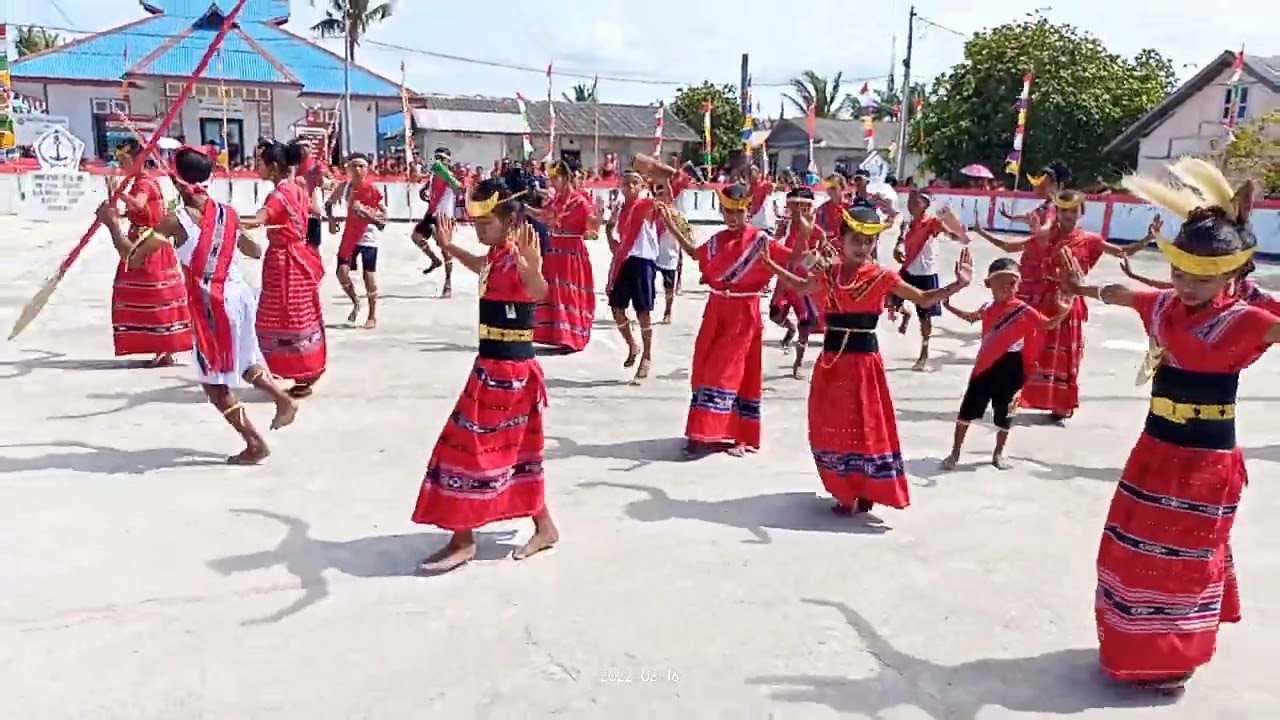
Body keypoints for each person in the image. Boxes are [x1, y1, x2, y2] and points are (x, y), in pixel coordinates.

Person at [1060, 159, 1279, 694]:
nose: (1186, 283)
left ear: (1232, 273)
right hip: (1154, 453)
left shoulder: (1249, 320)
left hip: (1206, 463)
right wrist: (1082, 289)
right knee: (1129, 553)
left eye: (1204, 276)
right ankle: (1130, 649)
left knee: (1183, 566)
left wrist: (1256, 295)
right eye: (1180, 271)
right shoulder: (1162, 305)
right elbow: (1121, 294)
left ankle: (1175, 656)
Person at [765, 205, 972, 515]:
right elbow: (801, 284)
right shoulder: (829, 271)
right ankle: (845, 490)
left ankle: (866, 489)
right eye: (856, 240)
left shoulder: (882, 277)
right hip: (832, 363)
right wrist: (774, 264)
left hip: (863, 366)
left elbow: (924, 299)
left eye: (869, 242)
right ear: (842, 238)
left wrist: (958, 284)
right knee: (832, 426)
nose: (863, 247)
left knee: (866, 427)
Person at [95, 146, 297, 464]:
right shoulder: (227, 213)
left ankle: (255, 442)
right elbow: (255, 250)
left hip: (213, 305)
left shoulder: (175, 221)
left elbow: (132, 258)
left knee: (214, 384)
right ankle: (282, 399)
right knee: (246, 361)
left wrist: (111, 225)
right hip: (241, 297)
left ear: (177, 183)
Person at [410, 180, 559, 573]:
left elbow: (539, 291)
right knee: (514, 453)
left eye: (486, 223)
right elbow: (481, 266)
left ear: (511, 220)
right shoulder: (495, 256)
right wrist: (449, 248)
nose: (479, 230)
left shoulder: (520, 257)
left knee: (465, 450)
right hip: (489, 368)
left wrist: (535, 266)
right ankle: (545, 526)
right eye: (475, 223)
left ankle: (463, 540)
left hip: (510, 375)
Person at [971, 189, 1144, 423]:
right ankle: (1016, 395)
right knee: (1034, 351)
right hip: (1043, 302)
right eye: (1063, 210)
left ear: (1081, 212)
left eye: (1073, 210)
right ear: (1057, 212)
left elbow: (1121, 251)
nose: (1068, 215)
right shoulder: (1045, 235)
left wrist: (1148, 239)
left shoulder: (1090, 240)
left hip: (1070, 304)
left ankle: (1060, 404)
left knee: (1065, 356)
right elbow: (1010, 248)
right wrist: (982, 232)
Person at [657, 183, 793, 458]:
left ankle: (738, 435)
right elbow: (697, 255)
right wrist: (672, 227)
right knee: (703, 368)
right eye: (727, 211)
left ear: (748, 210)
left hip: (744, 312)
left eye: (738, 212)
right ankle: (704, 431)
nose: (733, 217)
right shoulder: (718, 240)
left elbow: (793, 260)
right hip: (716, 309)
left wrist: (805, 236)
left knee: (728, 372)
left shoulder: (761, 241)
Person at [939, 258, 1069, 470]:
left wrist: (1064, 310)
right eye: (1007, 281)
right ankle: (955, 453)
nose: (1013, 287)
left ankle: (998, 454)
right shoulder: (988, 307)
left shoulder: (1022, 309)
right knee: (967, 411)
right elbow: (972, 318)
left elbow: (1047, 324)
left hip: (1012, 366)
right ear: (990, 283)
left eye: (1015, 282)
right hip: (985, 365)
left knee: (1005, 413)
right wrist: (949, 305)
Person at [243, 139, 326, 399]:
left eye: (260, 163)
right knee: (303, 314)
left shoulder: (278, 194)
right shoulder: (297, 188)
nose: (257, 167)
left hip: (284, 261)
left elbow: (259, 220)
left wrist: (226, 217)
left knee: (281, 317)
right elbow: (314, 211)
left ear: (274, 166)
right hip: (300, 256)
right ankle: (307, 371)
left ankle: (295, 371)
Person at [108, 138, 192, 368]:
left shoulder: (144, 183)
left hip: (149, 245)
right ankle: (158, 346)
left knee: (155, 297)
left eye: (124, 160)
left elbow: (138, 205)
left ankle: (164, 347)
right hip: (142, 239)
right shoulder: (140, 181)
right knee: (141, 297)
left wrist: (119, 192)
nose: (122, 165)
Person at [888, 189, 970, 370]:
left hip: (926, 275)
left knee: (925, 318)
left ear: (925, 204)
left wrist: (954, 226)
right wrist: (897, 250)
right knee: (888, 299)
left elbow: (954, 236)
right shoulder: (907, 223)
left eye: (915, 202)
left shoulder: (932, 222)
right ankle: (905, 313)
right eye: (909, 201)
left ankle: (924, 352)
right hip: (908, 270)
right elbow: (900, 241)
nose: (910, 205)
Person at [535, 158, 600, 352]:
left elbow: (591, 230)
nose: (552, 182)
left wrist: (597, 222)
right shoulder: (555, 200)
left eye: (555, 178)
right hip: (554, 252)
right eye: (551, 178)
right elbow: (544, 217)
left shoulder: (580, 202)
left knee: (569, 293)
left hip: (571, 254)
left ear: (566, 178)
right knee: (554, 292)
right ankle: (557, 335)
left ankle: (572, 338)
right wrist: (521, 208)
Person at [606, 169, 661, 382]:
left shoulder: (645, 205)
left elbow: (664, 197)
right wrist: (609, 233)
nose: (629, 187)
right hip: (625, 262)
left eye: (634, 183)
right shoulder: (620, 211)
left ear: (641, 187)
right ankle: (632, 345)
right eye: (626, 183)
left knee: (643, 312)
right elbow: (616, 247)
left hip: (643, 264)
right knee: (616, 308)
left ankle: (647, 356)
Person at [767, 187, 826, 378]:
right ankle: (789, 328)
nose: (796, 210)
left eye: (801, 206)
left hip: (802, 281)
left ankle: (798, 362)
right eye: (793, 206)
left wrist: (814, 259)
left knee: (805, 321)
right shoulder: (785, 225)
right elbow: (774, 244)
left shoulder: (815, 230)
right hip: (784, 278)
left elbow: (822, 254)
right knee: (775, 314)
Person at [326, 154, 385, 328]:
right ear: (349, 169)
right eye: (354, 166)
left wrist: (366, 213)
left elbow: (383, 218)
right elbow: (329, 203)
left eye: (361, 166)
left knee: (369, 275)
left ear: (367, 170)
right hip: (350, 234)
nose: (358, 170)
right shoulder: (344, 187)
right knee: (341, 273)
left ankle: (372, 315)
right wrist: (331, 221)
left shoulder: (373, 190)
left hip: (368, 235)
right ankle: (356, 302)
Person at [413, 147, 460, 297]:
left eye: (441, 158)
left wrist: (445, 174)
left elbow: (457, 187)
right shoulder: (434, 175)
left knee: (445, 249)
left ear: (447, 161)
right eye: (436, 158)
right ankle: (434, 260)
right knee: (416, 237)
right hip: (431, 213)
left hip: (444, 216)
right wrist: (425, 193)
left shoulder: (448, 175)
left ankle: (448, 283)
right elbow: (426, 190)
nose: (438, 161)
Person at [999, 160, 1071, 232]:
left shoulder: (1052, 206)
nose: (1038, 188)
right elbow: (1028, 218)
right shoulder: (1044, 205)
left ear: (1054, 186)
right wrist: (1011, 217)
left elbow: (1048, 224)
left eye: (1044, 185)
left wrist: (1040, 230)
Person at [295, 141, 329, 249]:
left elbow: (326, 180)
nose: (303, 149)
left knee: (313, 246)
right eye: (301, 146)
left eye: (306, 146)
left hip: (312, 210)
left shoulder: (316, 164)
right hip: (298, 210)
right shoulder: (294, 165)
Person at [746, 165, 776, 230]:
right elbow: (747, 197)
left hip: (762, 214)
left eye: (751, 174)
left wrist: (771, 184)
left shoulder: (764, 184)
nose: (750, 177)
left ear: (757, 174)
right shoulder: (752, 186)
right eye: (749, 175)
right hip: (754, 214)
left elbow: (773, 188)